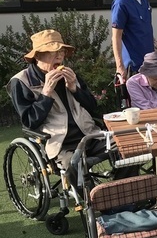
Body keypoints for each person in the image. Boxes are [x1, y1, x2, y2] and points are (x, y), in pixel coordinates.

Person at [6, 29, 133, 187]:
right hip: (61, 144)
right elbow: (30, 121)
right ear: (37, 56)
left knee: (129, 147)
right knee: (73, 165)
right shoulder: (21, 81)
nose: (60, 56)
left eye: (62, 51)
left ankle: (123, 193)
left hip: (90, 135)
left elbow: (92, 106)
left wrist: (74, 88)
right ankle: (97, 204)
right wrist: (46, 93)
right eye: (53, 51)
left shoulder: (70, 74)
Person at [111, 0, 154, 79]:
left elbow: (144, 24)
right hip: (134, 63)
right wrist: (119, 66)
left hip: (149, 59)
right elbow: (116, 36)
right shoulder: (121, 3)